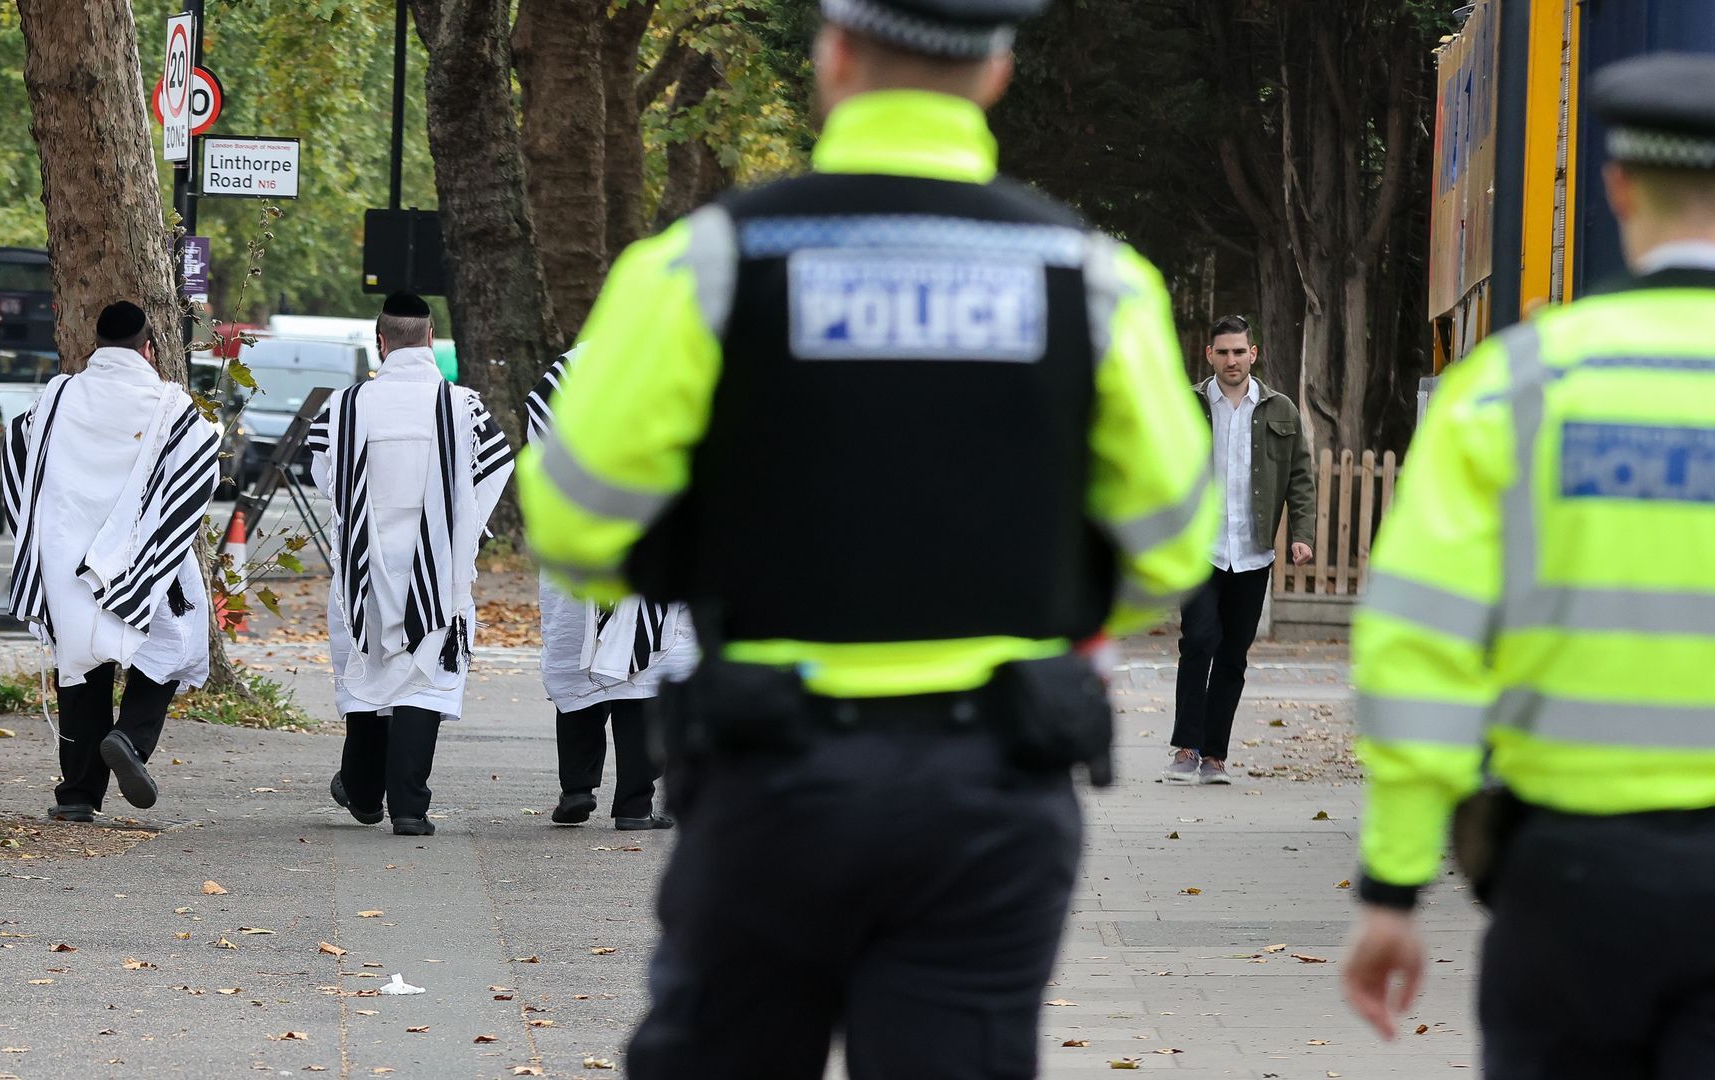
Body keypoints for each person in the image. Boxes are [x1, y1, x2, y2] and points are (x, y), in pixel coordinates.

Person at [518, 0, 1215, 1073]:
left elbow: (572, 518)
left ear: (834, 58)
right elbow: (1170, 544)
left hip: (771, 776)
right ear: (996, 74)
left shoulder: (707, 265)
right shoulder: (1092, 281)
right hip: (993, 786)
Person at [1342, 53, 1715, 1078]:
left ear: (1618, 187)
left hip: (1565, 883)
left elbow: (1417, 650)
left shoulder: (1512, 389)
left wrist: (1394, 886)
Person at [4, 300, 220, 821]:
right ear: (149, 347)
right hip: (141, 553)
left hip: (65, 553)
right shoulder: (169, 403)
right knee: (175, 642)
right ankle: (131, 736)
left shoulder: (57, 397)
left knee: (79, 665)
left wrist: (40, 535)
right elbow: (199, 465)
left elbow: (17, 446)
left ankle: (78, 795)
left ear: (94, 346)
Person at [312, 292, 513, 837]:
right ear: (429, 338)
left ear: (381, 343)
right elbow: (497, 468)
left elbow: (324, 477)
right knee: (425, 680)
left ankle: (360, 789)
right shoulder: (464, 407)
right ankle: (409, 807)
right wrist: (462, 532)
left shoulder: (345, 406)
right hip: (438, 570)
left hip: (365, 566)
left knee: (367, 671)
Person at [526, 351, 696, 830]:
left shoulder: (567, 371)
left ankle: (577, 788)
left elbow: (540, 446)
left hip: (579, 539)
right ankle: (635, 805)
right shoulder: (674, 365)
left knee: (577, 668)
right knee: (644, 672)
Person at [1166, 314, 1315, 784]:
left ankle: (1214, 757)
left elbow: (1300, 478)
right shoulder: (1186, 406)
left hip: (1252, 552)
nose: (1232, 360)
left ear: (1254, 354)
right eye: (1223, 351)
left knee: (1233, 654)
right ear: (1209, 355)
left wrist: (1302, 534)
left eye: (1239, 351)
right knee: (1199, 641)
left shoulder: (1281, 410)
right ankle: (1186, 747)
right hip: (1199, 550)